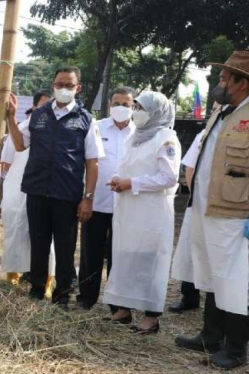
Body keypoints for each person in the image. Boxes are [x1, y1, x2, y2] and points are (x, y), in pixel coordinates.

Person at [175, 51, 249, 370]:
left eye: (224, 78)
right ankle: (210, 335)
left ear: (242, 82)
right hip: (208, 209)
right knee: (212, 275)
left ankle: (235, 349)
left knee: (234, 280)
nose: (219, 83)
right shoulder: (223, 111)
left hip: (236, 215)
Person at [6, 67, 104, 308]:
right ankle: (38, 289)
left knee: (65, 246)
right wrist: (10, 118)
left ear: (77, 88)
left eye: (69, 85)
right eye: (60, 84)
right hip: (37, 190)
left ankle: (63, 294)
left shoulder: (86, 120)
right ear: (53, 84)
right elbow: (20, 145)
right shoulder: (38, 115)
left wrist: (88, 197)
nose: (63, 89)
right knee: (38, 243)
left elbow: (92, 163)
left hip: (67, 194)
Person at [102, 91, 181, 334]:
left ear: (157, 112)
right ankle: (124, 309)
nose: (136, 111)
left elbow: (169, 177)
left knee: (149, 260)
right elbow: (127, 167)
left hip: (152, 212)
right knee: (126, 257)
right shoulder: (135, 137)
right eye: (135, 106)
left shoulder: (166, 138)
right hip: (129, 210)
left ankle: (151, 316)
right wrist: (118, 179)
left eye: (141, 107)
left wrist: (132, 183)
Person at [76, 87, 136, 310]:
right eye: (117, 103)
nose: (121, 108)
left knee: (118, 254)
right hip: (97, 201)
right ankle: (86, 298)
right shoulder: (97, 127)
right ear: (110, 105)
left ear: (133, 107)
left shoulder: (139, 133)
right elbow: (87, 162)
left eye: (127, 104)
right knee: (90, 252)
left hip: (127, 204)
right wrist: (85, 197)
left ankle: (116, 302)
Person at [1, 90, 52, 285]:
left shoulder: (57, 131)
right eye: (43, 104)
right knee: (16, 232)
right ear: (34, 106)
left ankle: (44, 279)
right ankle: (13, 275)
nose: (47, 109)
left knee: (43, 237)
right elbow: (5, 166)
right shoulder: (21, 127)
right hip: (17, 192)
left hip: (44, 191)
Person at [169, 129, 206, 314]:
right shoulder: (205, 133)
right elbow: (190, 168)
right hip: (202, 204)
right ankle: (190, 296)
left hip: (234, 207)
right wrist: (198, 197)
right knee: (192, 250)